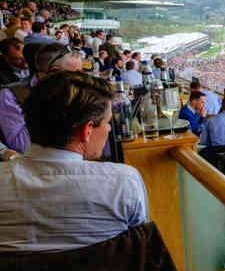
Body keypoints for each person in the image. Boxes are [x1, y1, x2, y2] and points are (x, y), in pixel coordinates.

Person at [0, 71, 148, 251]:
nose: (109, 128)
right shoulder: (124, 182)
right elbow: (142, 250)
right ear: (87, 130)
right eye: (108, 122)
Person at [0, 43, 82, 153]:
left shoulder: (78, 89)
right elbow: (21, 145)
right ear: (53, 71)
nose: (81, 81)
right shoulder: (10, 95)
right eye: (75, 76)